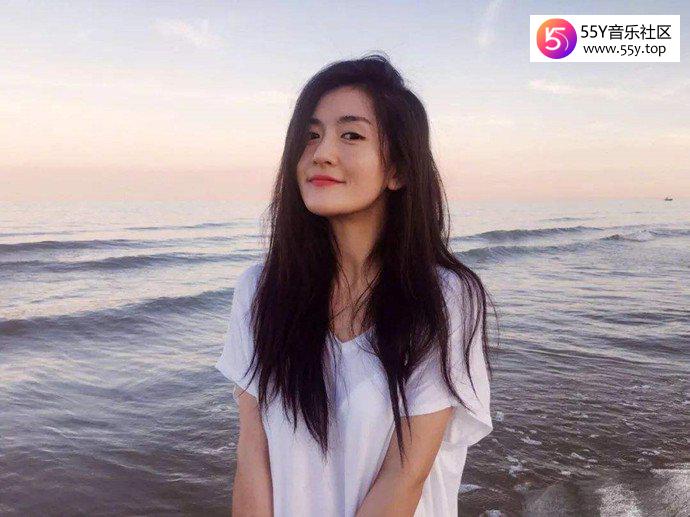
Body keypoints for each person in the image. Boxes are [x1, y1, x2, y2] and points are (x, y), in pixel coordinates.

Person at [215, 53, 496, 517]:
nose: (321, 153)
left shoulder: (444, 297)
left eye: (351, 135)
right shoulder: (260, 290)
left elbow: (404, 476)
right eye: (311, 135)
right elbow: (253, 457)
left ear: (397, 169)